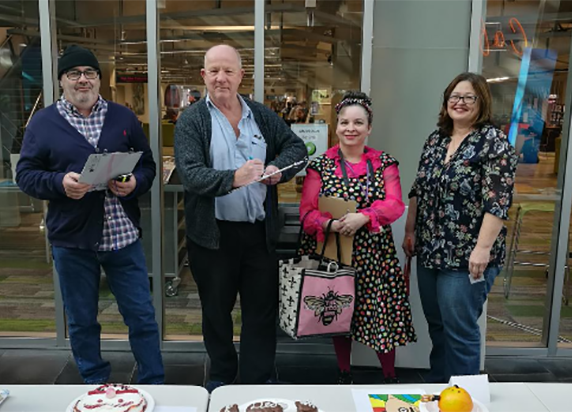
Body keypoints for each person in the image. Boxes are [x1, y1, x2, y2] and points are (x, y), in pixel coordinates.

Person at [15, 45, 164, 384]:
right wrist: (59, 183)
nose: (83, 80)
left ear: (98, 79)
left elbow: (148, 166)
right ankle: (95, 384)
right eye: (74, 74)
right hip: (72, 239)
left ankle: (154, 381)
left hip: (123, 237)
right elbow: (25, 175)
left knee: (141, 315)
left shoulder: (123, 118)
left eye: (90, 73)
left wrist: (134, 182)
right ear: (62, 82)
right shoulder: (43, 123)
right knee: (82, 320)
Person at [173, 44, 307, 391]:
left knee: (260, 313)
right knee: (216, 314)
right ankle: (222, 374)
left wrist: (280, 168)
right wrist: (234, 178)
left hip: (258, 235)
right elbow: (190, 174)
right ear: (203, 76)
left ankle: (256, 377)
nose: (221, 78)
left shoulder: (260, 116)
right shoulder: (192, 120)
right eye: (214, 70)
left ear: (240, 76)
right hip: (212, 237)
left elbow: (297, 149)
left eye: (228, 71)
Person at [403, 72, 517, 382]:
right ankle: (441, 390)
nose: (460, 102)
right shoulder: (436, 139)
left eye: (469, 97)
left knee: (460, 331)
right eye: (454, 96)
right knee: (437, 326)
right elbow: (418, 189)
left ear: (482, 102)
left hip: (467, 255)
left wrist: (482, 249)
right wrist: (410, 231)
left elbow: (498, 201)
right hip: (430, 250)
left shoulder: (493, 142)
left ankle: (464, 396)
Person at [299, 91, 417, 384]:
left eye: (358, 122)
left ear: (369, 128)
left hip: (375, 256)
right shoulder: (320, 165)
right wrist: (331, 224)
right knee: (340, 313)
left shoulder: (384, 163)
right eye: (344, 122)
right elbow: (307, 212)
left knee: (381, 317)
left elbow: (394, 204)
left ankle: (389, 377)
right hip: (336, 252)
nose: (350, 128)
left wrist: (364, 217)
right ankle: (344, 373)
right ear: (336, 126)